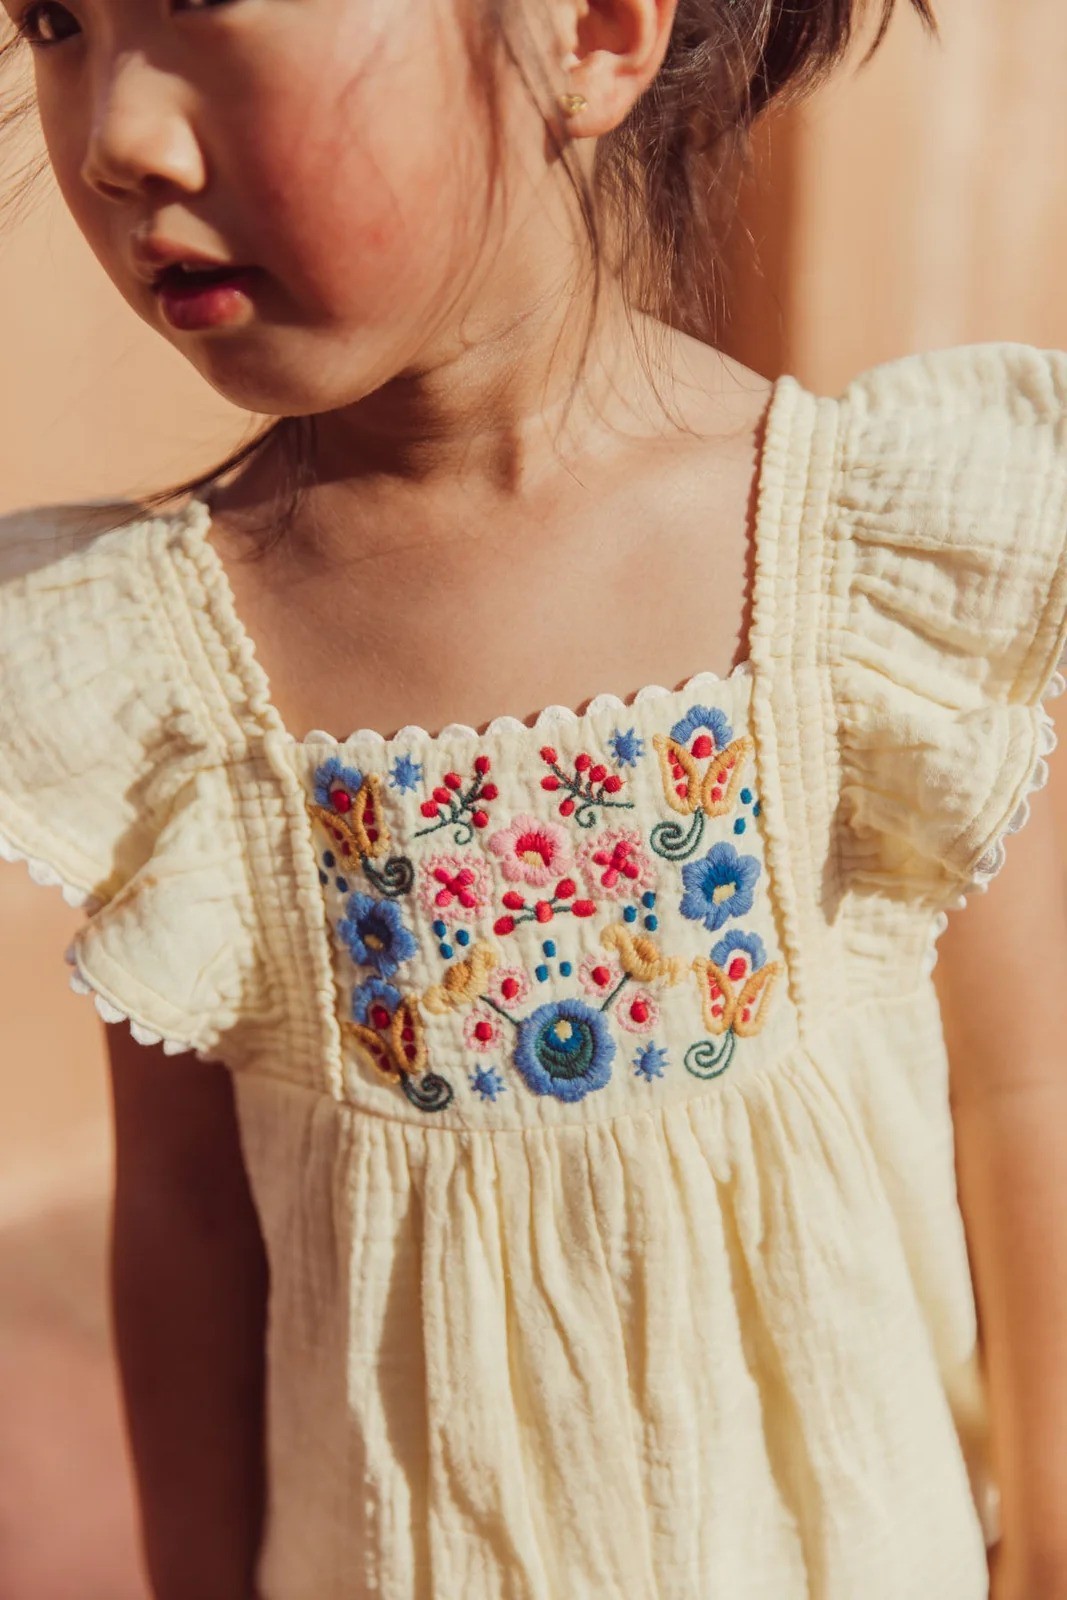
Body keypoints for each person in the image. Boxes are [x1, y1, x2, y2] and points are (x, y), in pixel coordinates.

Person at [1, 0, 1066, 1595]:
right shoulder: (164, 665)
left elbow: (1028, 1092)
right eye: (55, 24)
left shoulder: (871, 564)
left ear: (592, 30)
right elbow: (191, 1226)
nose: (114, 140)